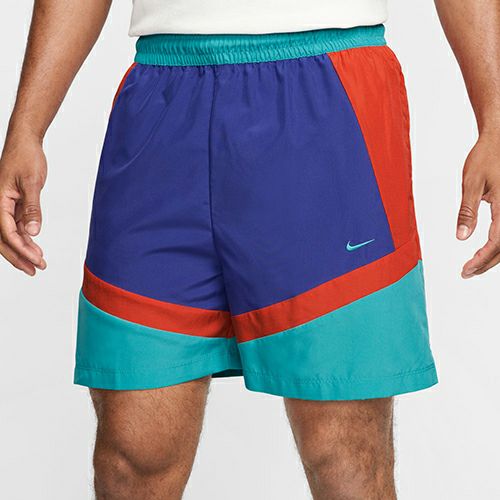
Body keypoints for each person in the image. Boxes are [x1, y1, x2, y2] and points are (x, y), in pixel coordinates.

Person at [0, 0, 498, 498]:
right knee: (132, 458)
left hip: (327, 96)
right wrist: (26, 126)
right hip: (160, 101)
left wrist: (495, 121)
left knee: (344, 453)